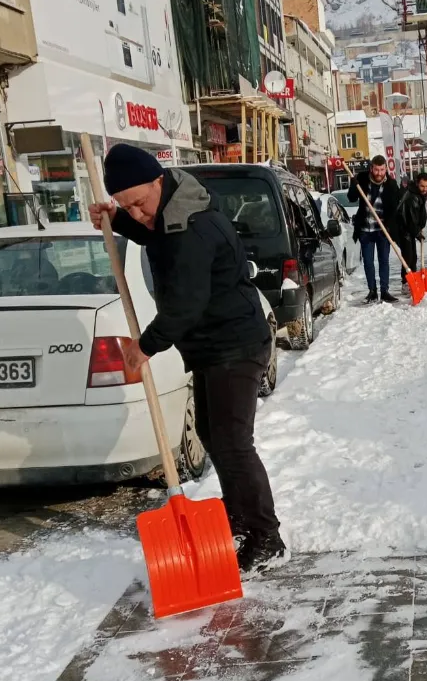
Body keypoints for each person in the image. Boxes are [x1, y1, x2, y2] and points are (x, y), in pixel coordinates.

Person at [88, 144, 285, 575]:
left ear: (159, 181)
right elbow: (150, 231)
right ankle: (238, 517)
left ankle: (265, 535)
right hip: (212, 347)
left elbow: (184, 308)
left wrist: (143, 347)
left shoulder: (193, 228)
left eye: (138, 203)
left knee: (233, 444)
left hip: (235, 344)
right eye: (128, 206)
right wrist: (114, 218)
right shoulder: (169, 209)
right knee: (216, 437)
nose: (138, 214)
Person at [348, 155, 401, 303]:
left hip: (382, 230)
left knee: (384, 261)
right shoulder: (362, 179)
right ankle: (372, 291)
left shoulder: (391, 184)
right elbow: (351, 198)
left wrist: (389, 222)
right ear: (371, 168)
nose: (379, 173)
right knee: (368, 262)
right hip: (365, 229)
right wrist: (353, 185)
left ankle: (384, 291)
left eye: (382, 170)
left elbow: (395, 207)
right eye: (376, 169)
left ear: (386, 169)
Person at [396, 171, 427, 291]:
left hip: (411, 229)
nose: (424, 189)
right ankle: (406, 283)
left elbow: (420, 213)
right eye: (422, 186)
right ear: (417, 184)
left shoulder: (419, 194)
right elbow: (410, 219)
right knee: (408, 256)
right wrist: (417, 233)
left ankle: (414, 280)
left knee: (413, 257)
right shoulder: (412, 197)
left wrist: (420, 226)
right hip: (404, 229)